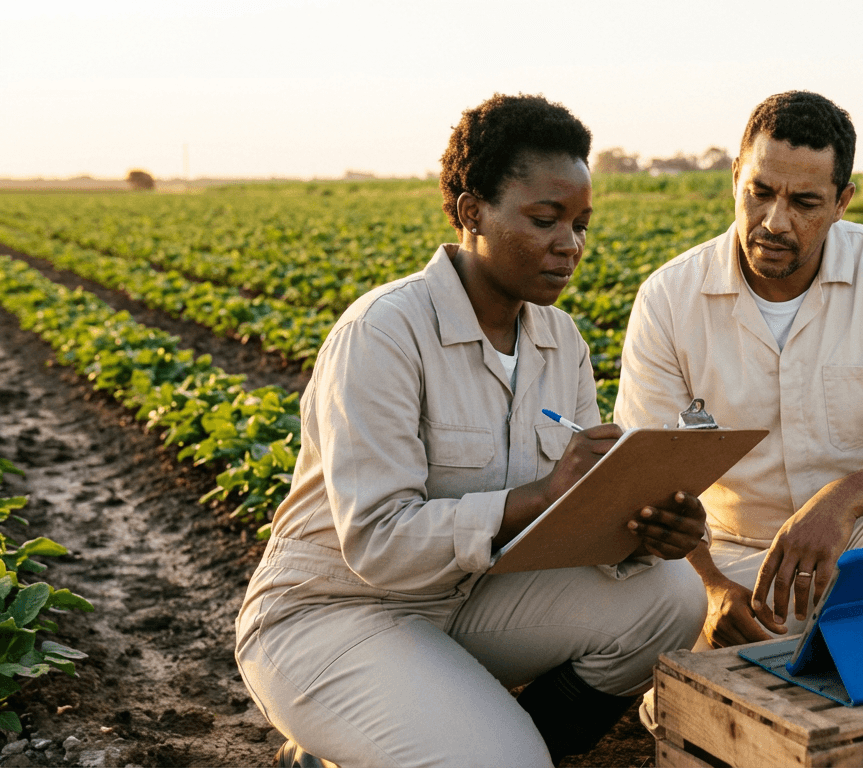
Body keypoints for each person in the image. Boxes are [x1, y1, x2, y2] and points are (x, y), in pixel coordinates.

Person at [235, 94, 709, 768]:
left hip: (467, 595)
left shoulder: (560, 340)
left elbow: (568, 524)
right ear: (471, 212)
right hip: (335, 610)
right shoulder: (384, 333)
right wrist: (542, 495)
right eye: (545, 220)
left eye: (580, 224)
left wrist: (646, 529)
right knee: (503, 760)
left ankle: (466, 746)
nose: (569, 244)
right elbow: (377, 542)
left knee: (670, 597)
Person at [613, 91, 863, 651]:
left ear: (842, 201)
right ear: (735, 177)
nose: (774, 222)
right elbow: (644, 476)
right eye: (760, 192)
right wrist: (710, 588)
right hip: (734, 559)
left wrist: (843, 501)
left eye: (804, 202)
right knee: (663, 634)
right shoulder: (669, 298)